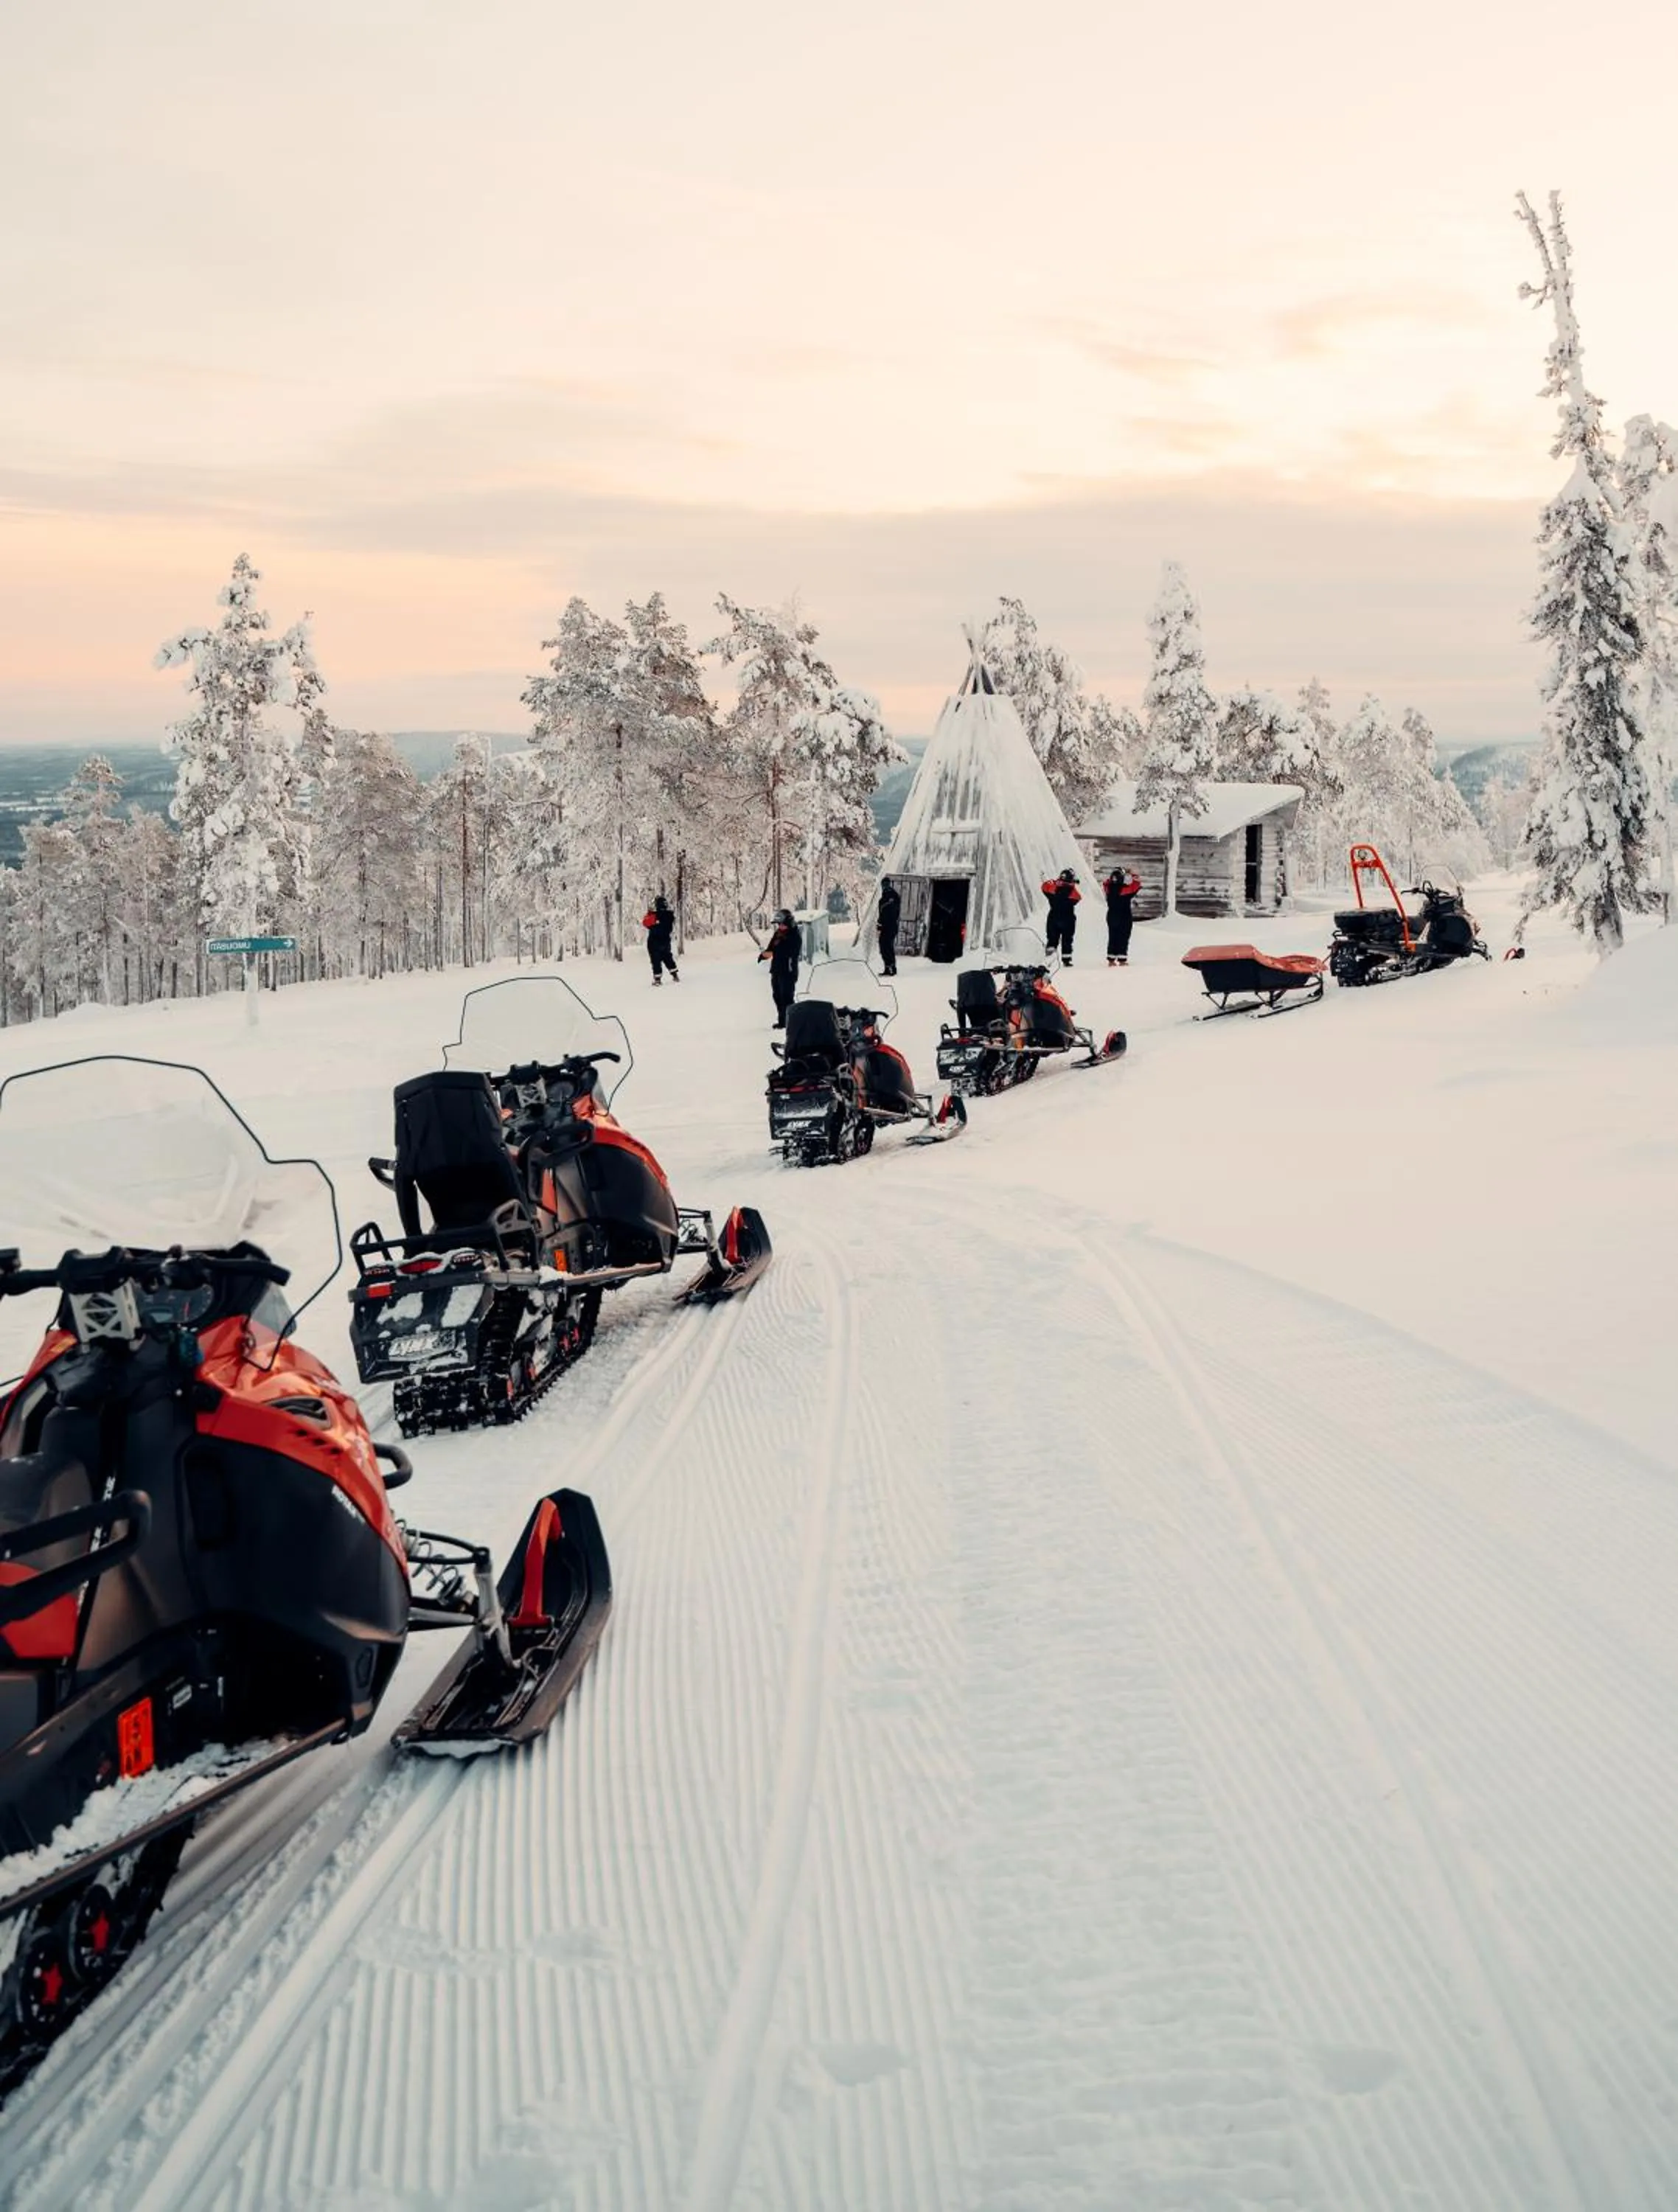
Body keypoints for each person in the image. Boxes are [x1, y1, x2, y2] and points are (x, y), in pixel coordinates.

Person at [759, 908, 801, 1026]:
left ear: (789, 923)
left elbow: (792, 952)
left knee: (787, 997)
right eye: (779, 925)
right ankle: (782, 1021)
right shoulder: (778, 934)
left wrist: (780, 945)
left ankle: (791, 1023)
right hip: (776, 970)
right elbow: (771, 949)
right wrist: (764, 955)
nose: (780, 927)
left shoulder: (795, 935)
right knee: (777, 996)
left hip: (788, 971)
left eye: (782, 924)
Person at [1041, 868, 1081, 964]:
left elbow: (1044, 887)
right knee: (1067, 940)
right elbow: (1078, 897)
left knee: (1052, 939)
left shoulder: (1053, 889)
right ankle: (1066, 961)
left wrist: (1056, 883)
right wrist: (1071, 885)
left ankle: (1049, 960)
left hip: (1053, 918)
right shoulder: (1072, 892)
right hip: (1068, 919)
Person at [1102, 866, 1141, 965]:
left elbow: (1106, 883)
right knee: (1123, 937)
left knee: (1113, 937)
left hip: (1111, 916)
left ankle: (1111, 959)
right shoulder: (1125, 891)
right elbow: (1137, 884)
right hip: (1124, 917)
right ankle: (1122, 959)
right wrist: (1132, 874)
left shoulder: (1108, 889)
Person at [642, 894, 678, 985]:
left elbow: (645, 923)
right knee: (668, 957)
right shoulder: (670, 916)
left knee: (656, 960)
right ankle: (675, 975)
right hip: (666, 941)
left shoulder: (654, 916)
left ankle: (657, 979)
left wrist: (650, 914)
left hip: (654, 942)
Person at [877, 877, 901, 975]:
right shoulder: (890, 897)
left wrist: (881, 924)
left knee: (887, 947)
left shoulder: (889, 898)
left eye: (884, 885)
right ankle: (889, 967)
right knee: (885, 947)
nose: (884, 887)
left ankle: (891, 968)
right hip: (889, 926)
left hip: (889, 926)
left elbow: (887, 914)